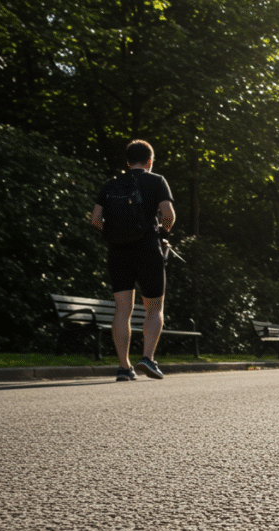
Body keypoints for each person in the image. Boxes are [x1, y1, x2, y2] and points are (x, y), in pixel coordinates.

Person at [89, 139, 176, 382]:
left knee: (123, 309)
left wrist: (112, 234)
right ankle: (147, 358)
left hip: (118, 252)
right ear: (150, 161)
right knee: (154, 307)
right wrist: (162, 231)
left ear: (128, 161)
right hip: (148, 250)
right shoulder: (157, 181)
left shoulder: (111, 184)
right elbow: (168, 215)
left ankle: (124, 367)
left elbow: (95, 219)